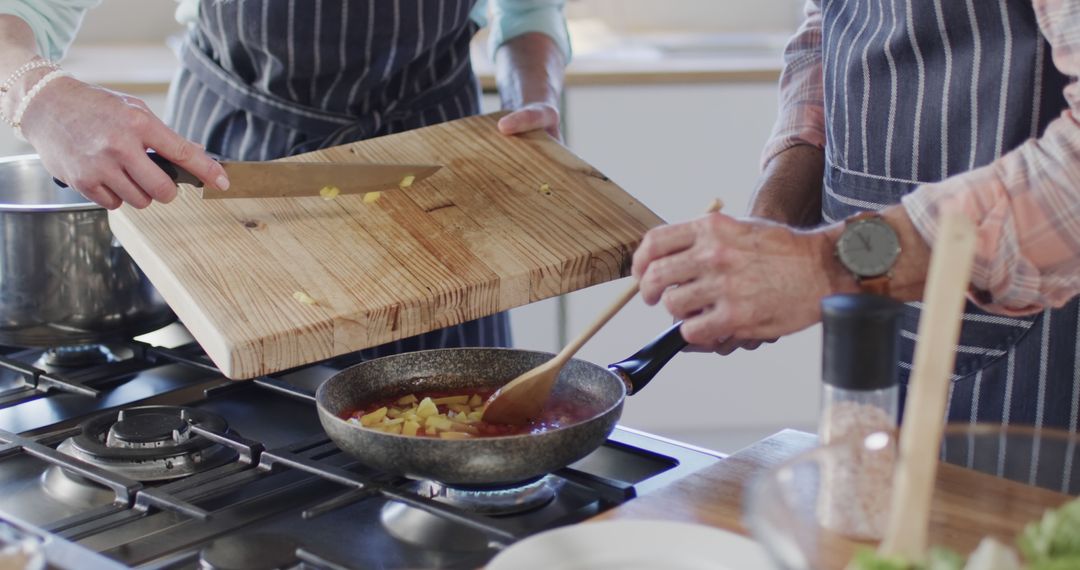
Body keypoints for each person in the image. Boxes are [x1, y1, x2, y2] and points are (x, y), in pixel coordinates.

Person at [0, 0, 570, 358]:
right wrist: (37, 94)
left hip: (429, 171)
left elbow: (530, 9)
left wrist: (534, 97)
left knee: (464, 440)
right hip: (236, 159)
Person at [633, 0, 1080, 432]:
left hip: (1038, 351)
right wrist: (775, 216)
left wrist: (826, 264)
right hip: (871, 329)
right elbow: (827, 27)